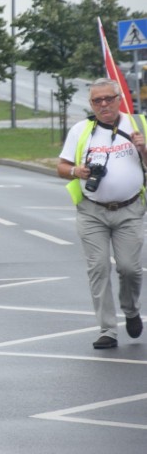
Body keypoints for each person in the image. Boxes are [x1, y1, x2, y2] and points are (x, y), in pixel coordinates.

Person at [58, 78, 147, 350]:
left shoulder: (139, 124)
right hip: (92, 211)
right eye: (98, 100)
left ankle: (130, 310)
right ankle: (107, 329)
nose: (104, 104)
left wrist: (143, 148)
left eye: (109, 98)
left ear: (119, 98)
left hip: (129, 209)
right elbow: (62, 166)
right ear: (91, 104)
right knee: (98, 268)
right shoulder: (81, 130)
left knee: (130, 269)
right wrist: (77, 171)